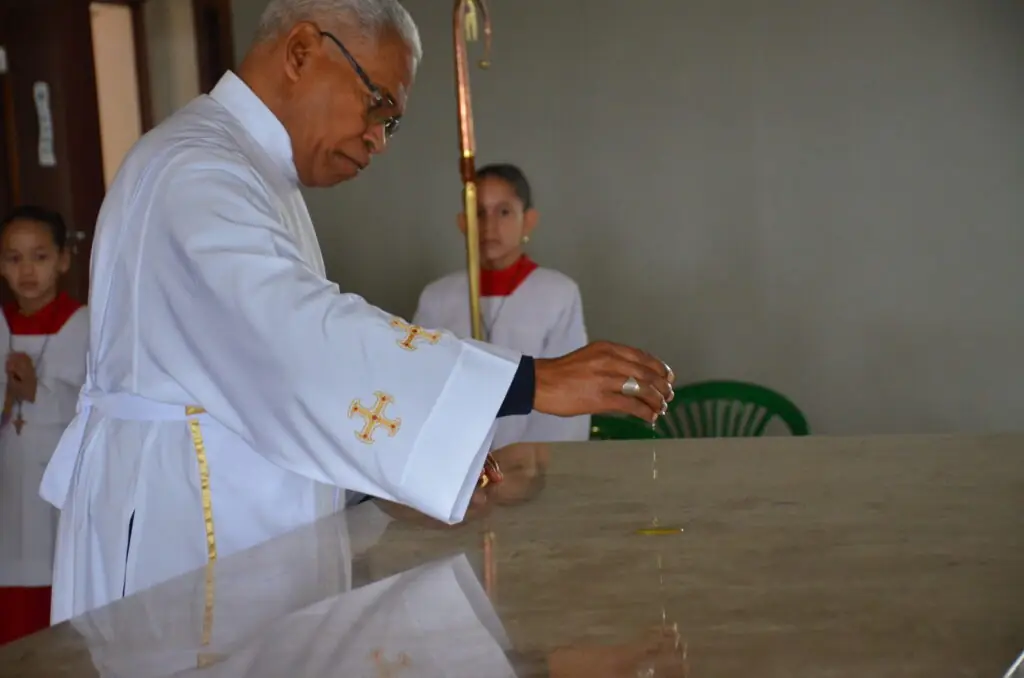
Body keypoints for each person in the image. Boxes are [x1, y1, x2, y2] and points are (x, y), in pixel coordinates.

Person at [41, 0, 674, 624]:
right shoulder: (198, 168)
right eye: (378, 106)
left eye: (390, 123)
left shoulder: (250, 171)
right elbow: (299, 342)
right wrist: (532, 382)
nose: (378, 139)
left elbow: (265, 380)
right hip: (181, 535)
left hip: (233, 519)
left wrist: (391, 476)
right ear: (301, 52)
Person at [414, 163, 590, 449]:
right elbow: (422, 384)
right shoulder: (437, 297)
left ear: (528, 220)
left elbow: (567, 391)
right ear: (462, 222)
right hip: (454, 459)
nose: (489, 226)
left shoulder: (557, 293)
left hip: (531, 465)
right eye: (478, 212)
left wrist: (529, 466)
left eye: (504, 212)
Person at [0, 206, 88, 644]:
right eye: (13, 259)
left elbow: (90, 406)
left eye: (39, 256)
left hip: (56, 482)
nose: (27, 270)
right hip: (8, 481)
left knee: (56, 588)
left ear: (63, 260)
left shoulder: (83, 323)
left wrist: (36, 390)